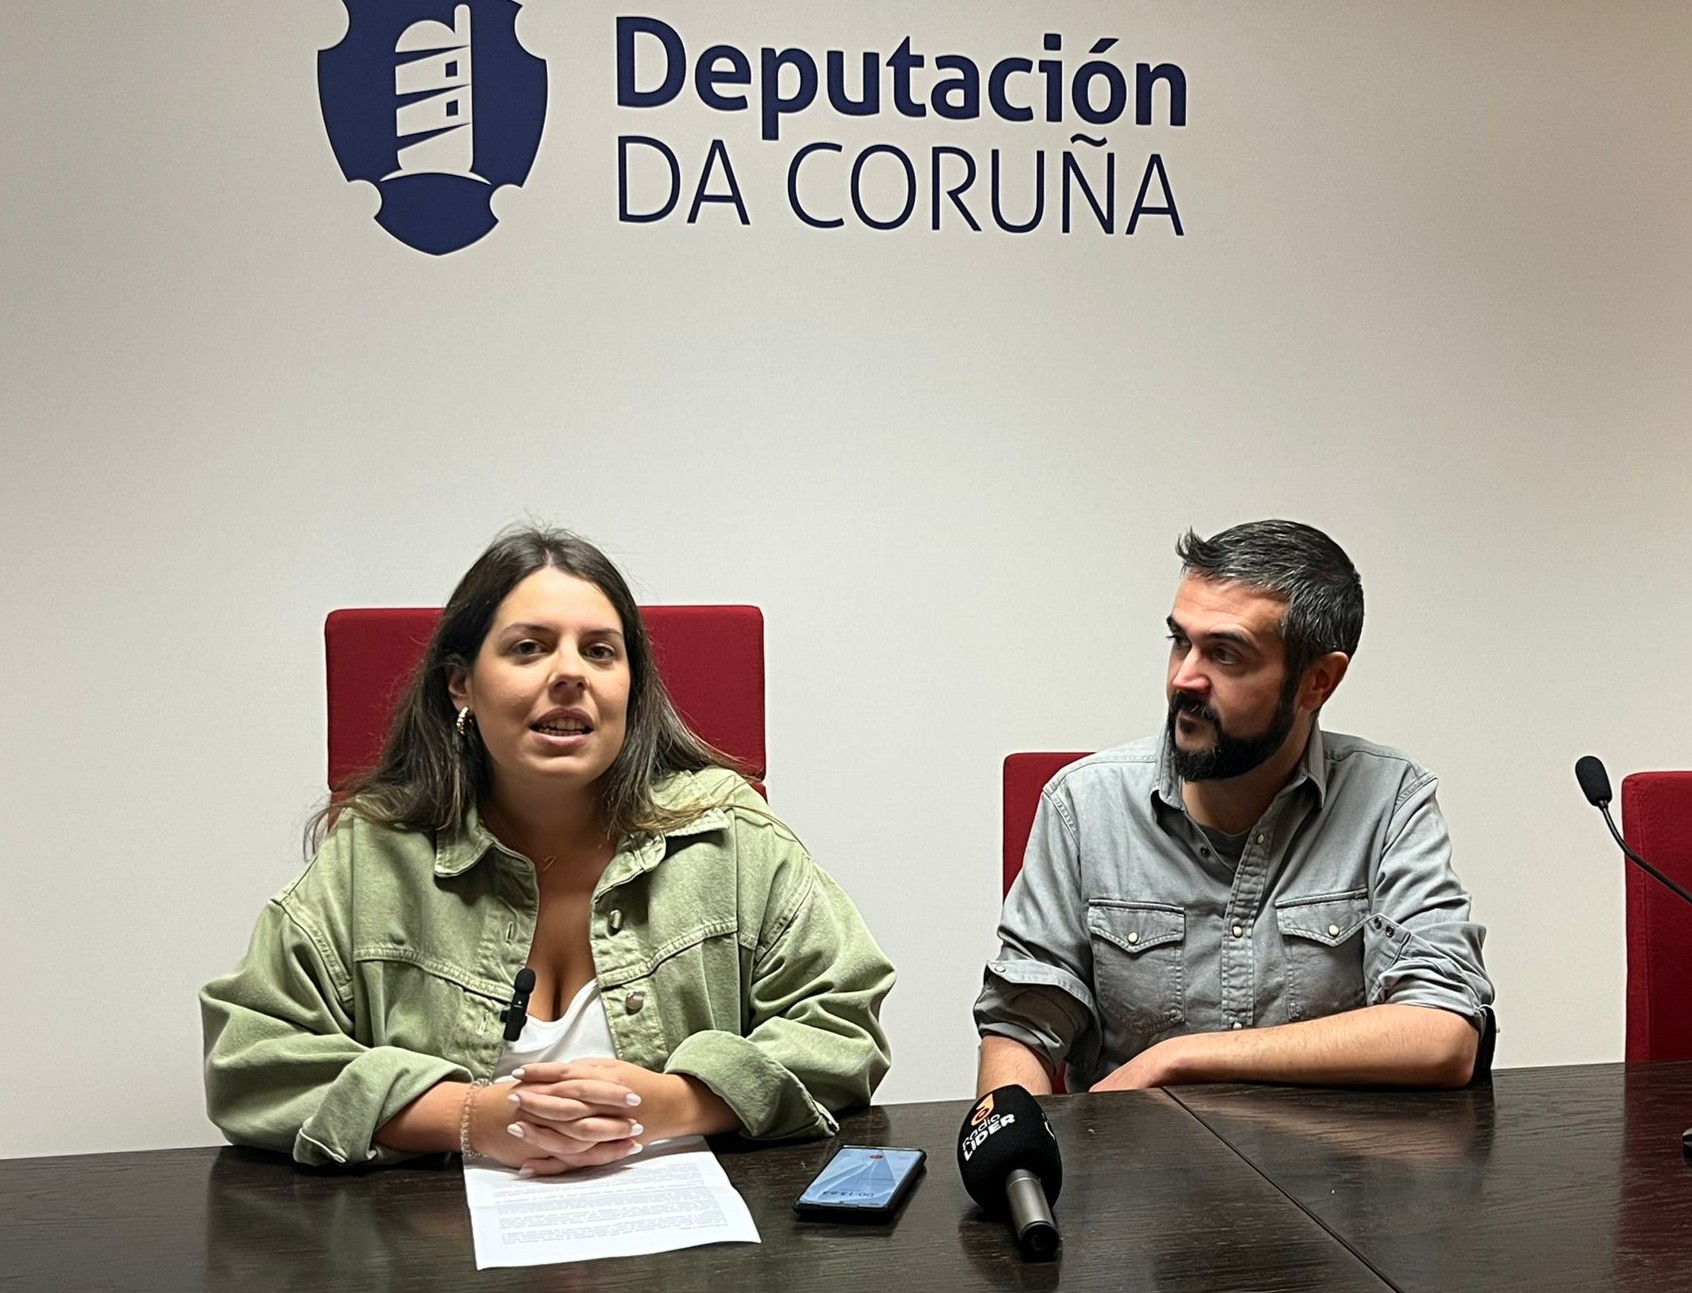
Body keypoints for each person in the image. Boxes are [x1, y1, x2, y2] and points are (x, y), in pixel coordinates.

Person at [203, 526, 895, 1173]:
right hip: (441, 1238)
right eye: (529, 647)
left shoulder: (730, 832)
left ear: (631, 686)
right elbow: (250, 1060)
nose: (570, 674)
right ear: (461, 683)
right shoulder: (373, 853)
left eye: (600, 651)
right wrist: (472, 1117)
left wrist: (673, 1103)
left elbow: (842, 1022)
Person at [974, 519, 1493, 1096]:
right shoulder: (1083, 804)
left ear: (1318, 681)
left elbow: (1443, 1033)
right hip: (1133, 1152)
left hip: (1328, 1154)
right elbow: (1022, 1025)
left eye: (1225, 655)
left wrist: (1181, 1058)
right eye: (1180, 642)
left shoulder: (1389, 800)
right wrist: (1018, 1147)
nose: (1184, 679)